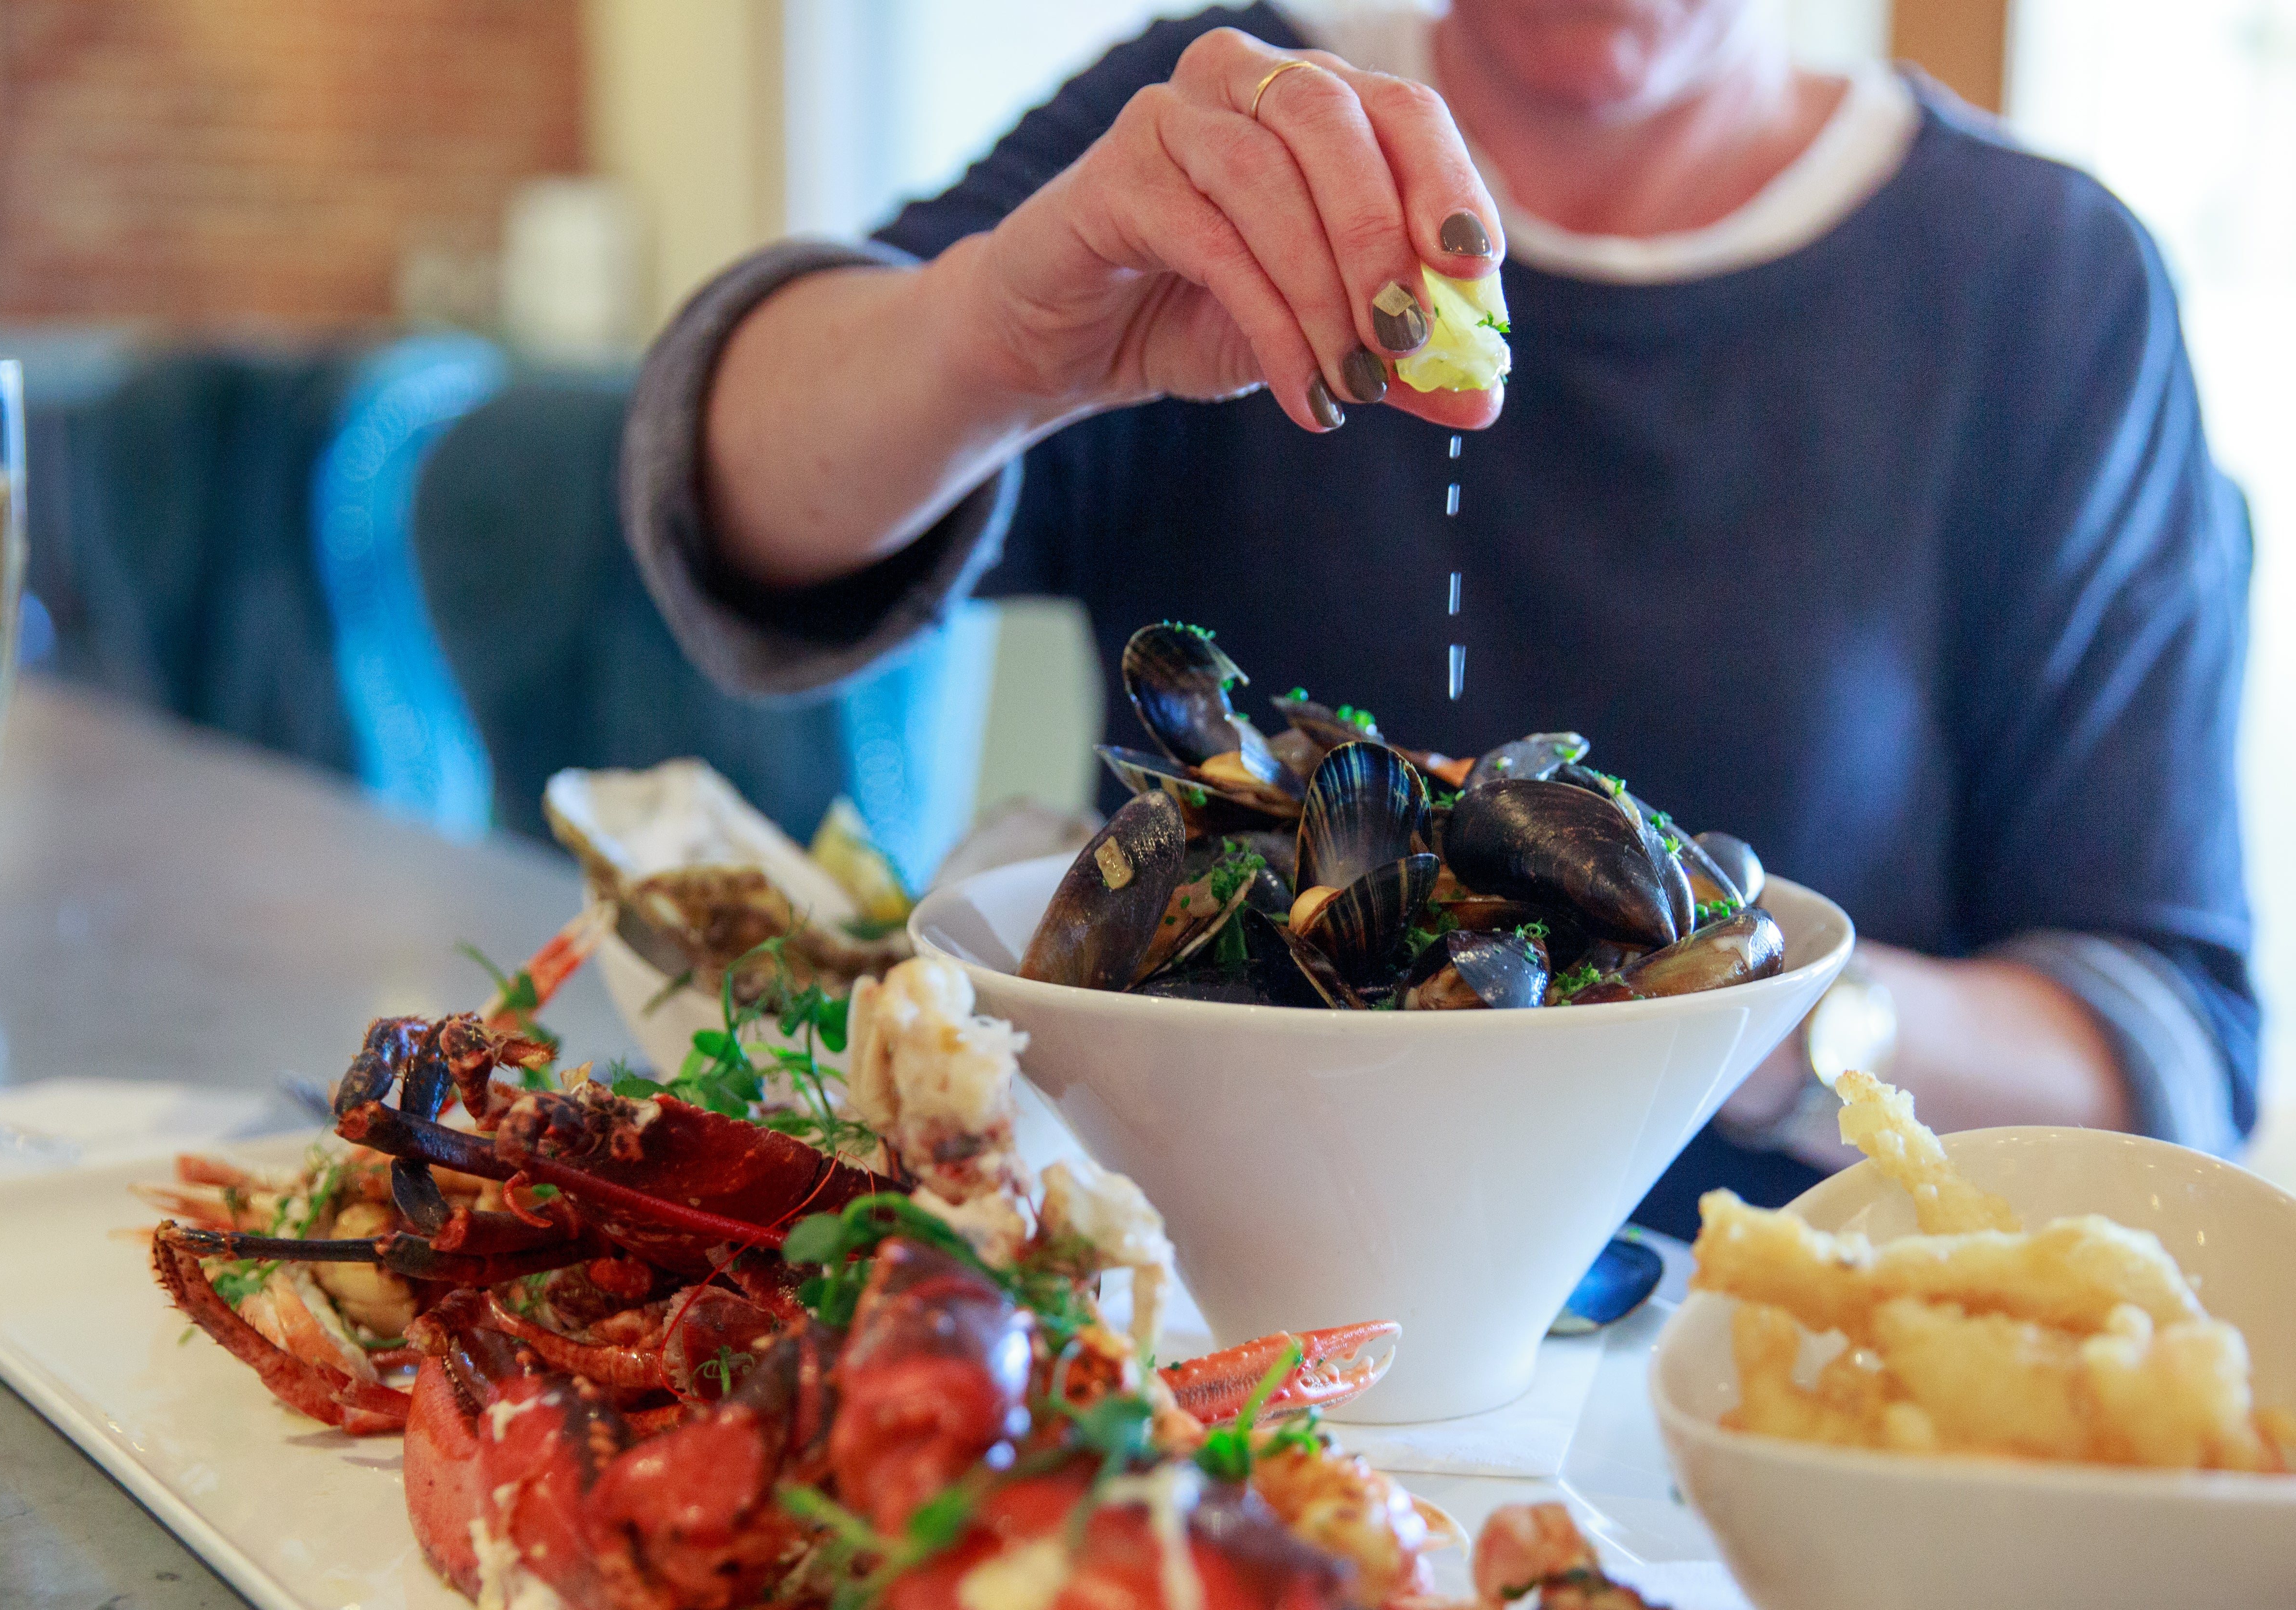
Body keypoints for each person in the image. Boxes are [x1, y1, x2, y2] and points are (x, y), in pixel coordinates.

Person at [618, 0, 2257, 1236]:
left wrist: (1745, 1015)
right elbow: (730, 496)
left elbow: (2163, 1039)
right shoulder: (1236, 131)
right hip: (1198, 1339)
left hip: (1775, 1387)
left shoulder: (2042, 281)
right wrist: (1001, 330)